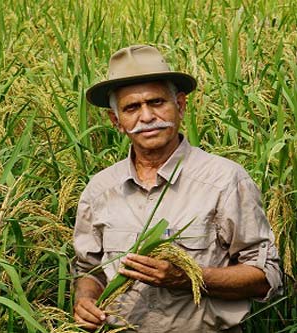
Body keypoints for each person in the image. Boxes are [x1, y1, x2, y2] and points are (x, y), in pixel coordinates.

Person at [73, 45, 282, 333]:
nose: (146, 117)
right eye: (131, 108)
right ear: (116, 122)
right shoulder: (100, 189)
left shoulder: (224, 180)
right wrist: (86, 299)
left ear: (180, 105)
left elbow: (265, 276)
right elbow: (88, 270)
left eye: (157, 102)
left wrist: (189, 277)